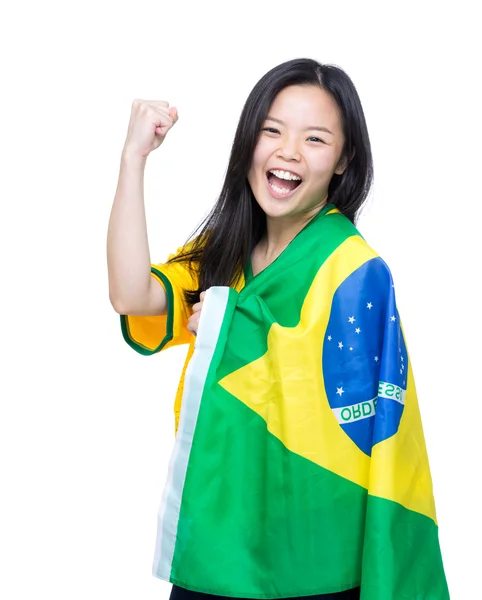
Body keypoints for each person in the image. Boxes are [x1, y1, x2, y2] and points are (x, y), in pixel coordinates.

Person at [107, 58, 449, 600]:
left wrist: (224, 325)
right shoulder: (226, 251)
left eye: (315, 138)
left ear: (343, 161)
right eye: (271, 130)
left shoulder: (355, 268)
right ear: (248, 143)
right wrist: (133, 161)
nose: (287, 152)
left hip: (313, 557)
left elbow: (353, 410)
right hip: (220, 540)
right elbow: (133, 294)